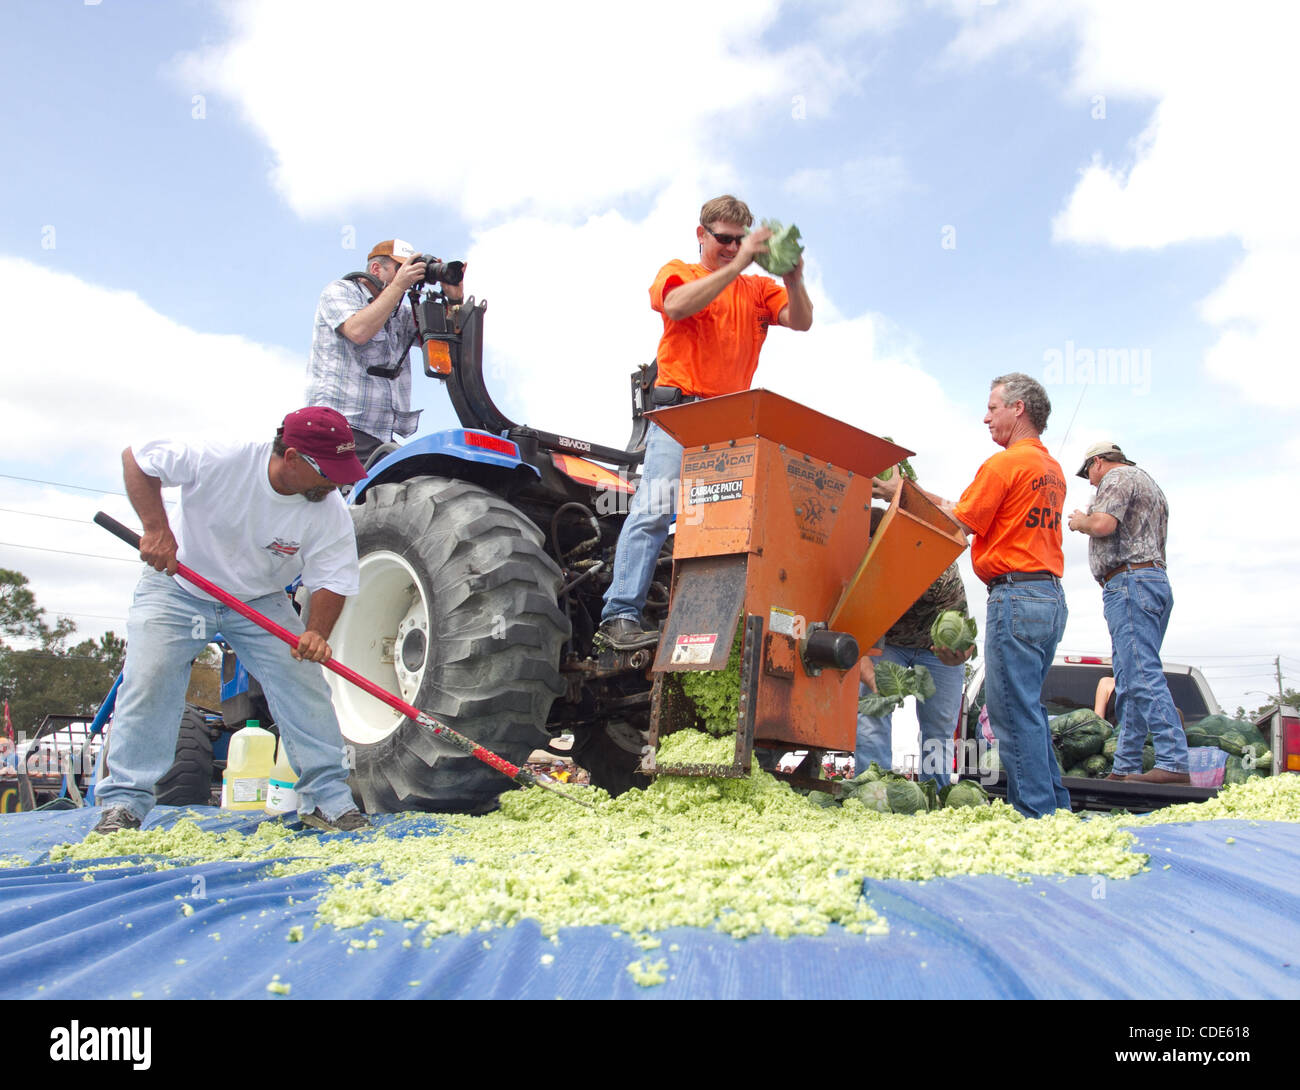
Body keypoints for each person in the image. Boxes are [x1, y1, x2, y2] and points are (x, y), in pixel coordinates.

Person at [91, 407, 371, 836]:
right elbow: (138, 458)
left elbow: (333, 576)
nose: (336, 483)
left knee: (304, 683)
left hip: (259, 600)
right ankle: (124, 804)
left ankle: (329, 800)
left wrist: (315, 633)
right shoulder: (222, 458)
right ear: (292, 457)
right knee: (150, 678)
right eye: (327, 472)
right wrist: (156, 529)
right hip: (177, 586)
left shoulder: (327, 508)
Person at [597, 195, 814, 650]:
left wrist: (793, 277)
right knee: (656, 510)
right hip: (680, 417)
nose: (734, 248)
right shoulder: (680, 271)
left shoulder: (758, 291)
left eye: (741, 242)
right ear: (702, 235)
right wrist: (738, 266)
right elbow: (676, 306)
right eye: (725, 240)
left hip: (729, 424)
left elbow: (802, 321)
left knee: (725, 525)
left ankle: (705, 624)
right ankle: (618, 615)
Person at [874, 373, 1070, 818]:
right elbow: (965, 510)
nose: (986, 417)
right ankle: (1057, 808)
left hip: (1015, 598)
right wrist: (908, 491)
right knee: (1030, 710)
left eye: (993, 407)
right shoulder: (1049, 469)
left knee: (1008, 715)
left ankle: (1035, 814)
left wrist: (898, 496)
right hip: (1049, 597)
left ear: (1018, 408)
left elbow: (954, 527)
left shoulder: (1002, 465)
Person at [1068, 441, 1188, 784]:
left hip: (1130, 582)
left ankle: (1174, 761)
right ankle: (1126, 766)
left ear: (1099, 462)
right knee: (1131, 681)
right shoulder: (1149, 483)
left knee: (1140, 674)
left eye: (1088, 472)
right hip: (1151, 581)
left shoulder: (1117, 478)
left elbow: (1103, 525)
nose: (1090, 482)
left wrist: (1080, 521)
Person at [306, 239, 465, 465]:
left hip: (377, 438)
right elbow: (358, 331)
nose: (409, 275)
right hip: (337, 426)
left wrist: (454, 299)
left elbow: (449, 342)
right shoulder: (340, 290)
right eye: (401, 268)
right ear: (375, 269)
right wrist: (398, 286)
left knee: (423, 476)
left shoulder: (399, 312)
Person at [856, 508, 974, 788]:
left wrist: (958, 655)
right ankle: (873, 790)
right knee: (874, 709)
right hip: (887, 642)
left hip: (934, 649)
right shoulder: (856, 571)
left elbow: (964, 641)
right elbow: (852, 632)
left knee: (940, 724)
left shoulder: (940, 573)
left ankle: (935, 793)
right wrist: (870, 672)